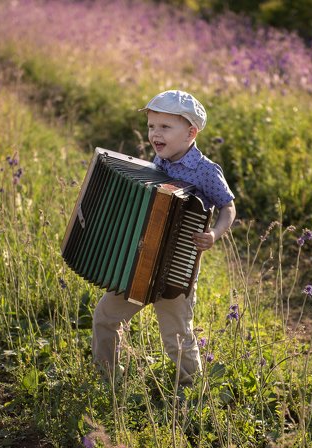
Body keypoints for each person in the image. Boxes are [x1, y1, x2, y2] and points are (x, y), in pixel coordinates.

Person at [92, 90, 236, 386]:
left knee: (177, 337)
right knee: (105, 316)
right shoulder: (157, 163)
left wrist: (213, 233)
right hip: (138, 263)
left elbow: (227, 206)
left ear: (191, 133)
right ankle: (108, 381)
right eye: (151, 126)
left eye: (165, 127)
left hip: (176, 272)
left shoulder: (206, 172)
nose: (155, 134)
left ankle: (191, 389)